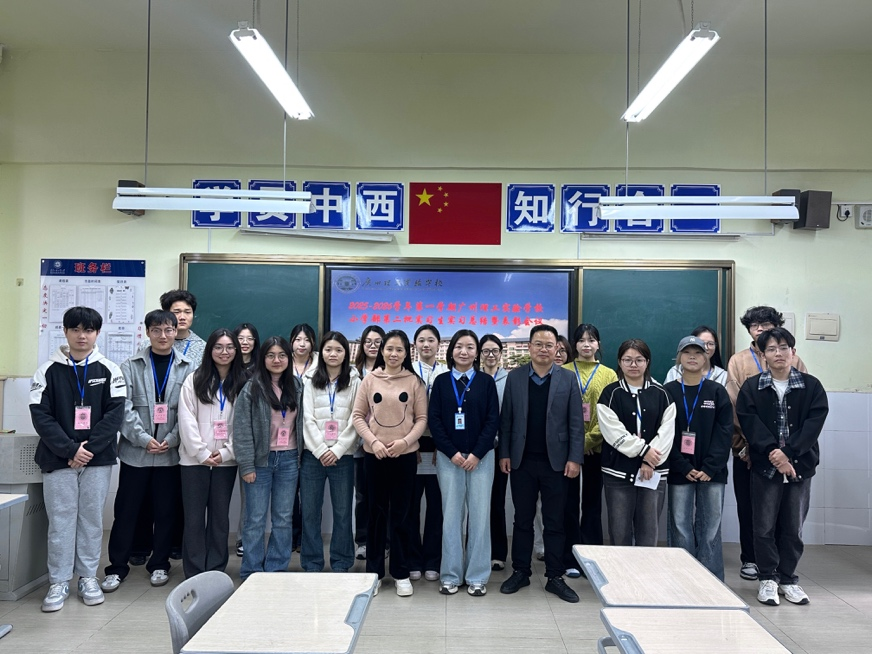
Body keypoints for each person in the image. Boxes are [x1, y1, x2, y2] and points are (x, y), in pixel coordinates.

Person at [30, 307, 126, 612]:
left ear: (97, 333)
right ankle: (58, 581)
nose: (82, 336)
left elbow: (115, 414)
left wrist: (88, 449)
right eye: (75, 329)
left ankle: (87, 577)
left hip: (97, 459)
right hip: (58, 458)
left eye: (88, 330)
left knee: (91, 519)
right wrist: (70, 450)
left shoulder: (110, 369)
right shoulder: (47, 371)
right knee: (60, 521)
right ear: (65, 331)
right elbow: (41, 416)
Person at [101, 310, 192, 592]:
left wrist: (172, 439)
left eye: (168, 330)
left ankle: (160, 564)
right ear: (147, 332)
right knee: (126, 512)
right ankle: (116, 567)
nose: (163, 335)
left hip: (169, 454)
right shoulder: (130, 366)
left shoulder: (188, 367)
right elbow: (123, 408)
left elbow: (189, 411)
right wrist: (143, 439)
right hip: (135, 454)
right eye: (156, 330)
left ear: (176, 332)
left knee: (166, 513)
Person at [737, 327, 827, 606]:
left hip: (800, 466)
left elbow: (813, 425)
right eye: (772, 349)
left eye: (784, 347)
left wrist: (788, 454)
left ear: (793, 352)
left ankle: (788, 579)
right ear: (763, 355)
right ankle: (767, 578)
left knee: (793, 527)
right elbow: (750, 423)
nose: (778, 353)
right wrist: (774, 453)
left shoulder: (811, 386)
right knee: (763, 526)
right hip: (765, 467)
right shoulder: (752, 387)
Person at [498, 325, 584, 604]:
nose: (544, 349)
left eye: (549, 345)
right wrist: (505, 453)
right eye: (538, 344)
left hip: (556, 463)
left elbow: (576, 423)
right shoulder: (515, 377)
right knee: (522, 519)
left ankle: (555, 576)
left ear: (557, 348)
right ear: (529, 347)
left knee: (555, 521)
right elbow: (507, 419)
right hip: (522, 461)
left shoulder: (568, 378)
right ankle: (520, 571)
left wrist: (574, 458)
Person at [726, 306, 808, 581]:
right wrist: (749, 446)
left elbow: (803, 405)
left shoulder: (794, 359)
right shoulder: (738, 361)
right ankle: (750, 559)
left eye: (766, 324)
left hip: (787, 454)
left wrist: (784, 451)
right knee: (749, 507)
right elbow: (736, 407)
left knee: (786, 511)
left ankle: (781, 566)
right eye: (755, 326)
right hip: (747, 449)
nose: (760, 329)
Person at [351, 330, 427, 597]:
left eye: (399, 350)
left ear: (407, 353)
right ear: (382, 351)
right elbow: (358, 416)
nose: (394, 354)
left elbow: (422, 419)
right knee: (376, 515)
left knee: (402, 516)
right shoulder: (370, 379)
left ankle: (401, 573)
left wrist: (405, 443)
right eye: (389, 349)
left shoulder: (414, 382)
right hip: (375, 457)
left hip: (404, 457)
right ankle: (374, 573)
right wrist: (373, 442)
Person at [429, 329, 500, 596]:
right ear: (451, 351)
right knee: (451, 517)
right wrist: (452, 453)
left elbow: (493, 420)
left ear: (476, 352)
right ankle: (450, 575)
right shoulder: (441, 382)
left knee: (480, 518)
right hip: (450, 459)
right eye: (459, 346)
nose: (464, 351)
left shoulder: (486, 382)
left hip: (481, 459)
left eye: (470, 347)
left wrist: (476, 454)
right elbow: (434, 421)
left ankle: (477, 577)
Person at [233, 336, 304, 579]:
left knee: (283, 518)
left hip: (289, 459)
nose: (277, 360)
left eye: (282, 355)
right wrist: (246, 465)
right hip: (259, 462)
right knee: (255, 519)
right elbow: (241, 429)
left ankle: (276, 568)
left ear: (289, 358)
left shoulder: (297, 385)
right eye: (271, 355)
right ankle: (252, 571)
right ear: (263, 358)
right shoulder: (252, 387)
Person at [664, 336, 733, 580]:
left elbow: (725, 432)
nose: (692, 356)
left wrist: (710, 466)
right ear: (679, 358)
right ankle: (682, 578)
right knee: (679, 524)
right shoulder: (668, 392)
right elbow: (664, 434)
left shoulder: (717, 391)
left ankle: (710, 579)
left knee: (711, 527)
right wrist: (682, 466)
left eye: (698, 352)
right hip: (679, 470)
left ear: (706, 358)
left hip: (712, 472)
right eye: (687, 352)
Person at [178, 328, 244, 577]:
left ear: (236, 351)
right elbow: (186, 419)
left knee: (219, 518)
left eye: (229, 347)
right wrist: (200, 452)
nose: (224, 352)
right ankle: (195, 571)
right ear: (210, 350)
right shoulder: (194, 379)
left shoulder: (243, 382)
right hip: (193, 461)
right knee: (194, 518)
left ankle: (216, 569)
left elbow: (243, 424)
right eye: (218, 347)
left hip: (226, 462)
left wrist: (227, 453)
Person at [598, 339, 675, 547]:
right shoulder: (610, 394)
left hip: (653, 472)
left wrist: (649, 460)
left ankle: (645, 570)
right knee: (619, 533)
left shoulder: (662, 394)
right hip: (618, 473)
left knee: (648, 533)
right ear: (619, 362)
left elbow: (667, 432)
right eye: (628, 360)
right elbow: (613, 431)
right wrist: (644, 450)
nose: (633, 365)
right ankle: (620, 570)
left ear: (647, 362)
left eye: (639, 360)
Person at [300, 332, 360, 573]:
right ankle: (312, 563)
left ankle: (342, 562)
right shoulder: (310, 379)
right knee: (310, 512)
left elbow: (356, 418)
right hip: (312, 456)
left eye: (338, 350)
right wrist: (321, 449)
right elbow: (307, 418)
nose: (333, 354)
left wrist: (337, 449)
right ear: (321, 352)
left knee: (343, 512)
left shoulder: (355, 380)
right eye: (328, 349)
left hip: (343, 457)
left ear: (346, 353)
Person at [563, 324, 617, 576]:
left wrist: (587, 441)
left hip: (598, 448)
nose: (586, 344)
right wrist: (576, 445)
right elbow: (557, 414)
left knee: (593, 505)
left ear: (598, 344)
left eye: (591, 340)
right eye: (581, 340)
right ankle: (570, 558)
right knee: (568, 504)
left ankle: (592, 558)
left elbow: (611, 414)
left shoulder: (609, 375)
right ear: (574, 344)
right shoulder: (562, 371)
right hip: (568, 452)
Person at [409, 324, 448, 582]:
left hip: (439, 447)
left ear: (438, 344)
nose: (426, 344)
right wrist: (410, 444)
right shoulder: (407, 371)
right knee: (410, 507)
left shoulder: (446, 373)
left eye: (431, 340)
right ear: (415, 345)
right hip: (410, 446)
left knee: (436, 507)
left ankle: (433, 560)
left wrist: (440, 445)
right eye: (421, 340)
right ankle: (413, 559)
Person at [352, 325, 385, 560]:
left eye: (377, 342)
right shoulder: (353, 373)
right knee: (363, 496)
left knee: (385, 496)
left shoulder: (391, 371)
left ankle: (385, 542)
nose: (373, 346)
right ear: (362, 345)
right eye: (368, 342)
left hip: (386, 445)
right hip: (359, 444)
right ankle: (363, 541)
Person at [480, 334, 509, 571]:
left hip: (501, 449)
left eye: (494, 351)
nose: (490, 355)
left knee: (497, 502)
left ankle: (498, 553)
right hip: (477, 449)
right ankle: (476, 550)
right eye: (486, 351)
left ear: (500, 353)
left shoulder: (510, 379)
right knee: (476, 504)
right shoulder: (473, 378)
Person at [232, 322, 260, 557]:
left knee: (248, 494)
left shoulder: (261, 368)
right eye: (241, 338)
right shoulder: (225, 364)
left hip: (248, 436)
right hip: (220, 435)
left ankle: (244, 538)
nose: (245, 342)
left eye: (249, 338)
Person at [289, 323, 317, 553]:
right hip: (286, 435)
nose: (302, 344)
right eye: (298, 339)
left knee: (308, 496)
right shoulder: (280, 362)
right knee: (289, 493)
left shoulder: (320, 365)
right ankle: (292, 536)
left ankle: (306, 540)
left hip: (311, 437)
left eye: (306, 339)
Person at [161, 289, 206, 367]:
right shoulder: (149, 344)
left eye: (187, 312)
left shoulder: (203, 348)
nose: (182, 317)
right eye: (177, 312)